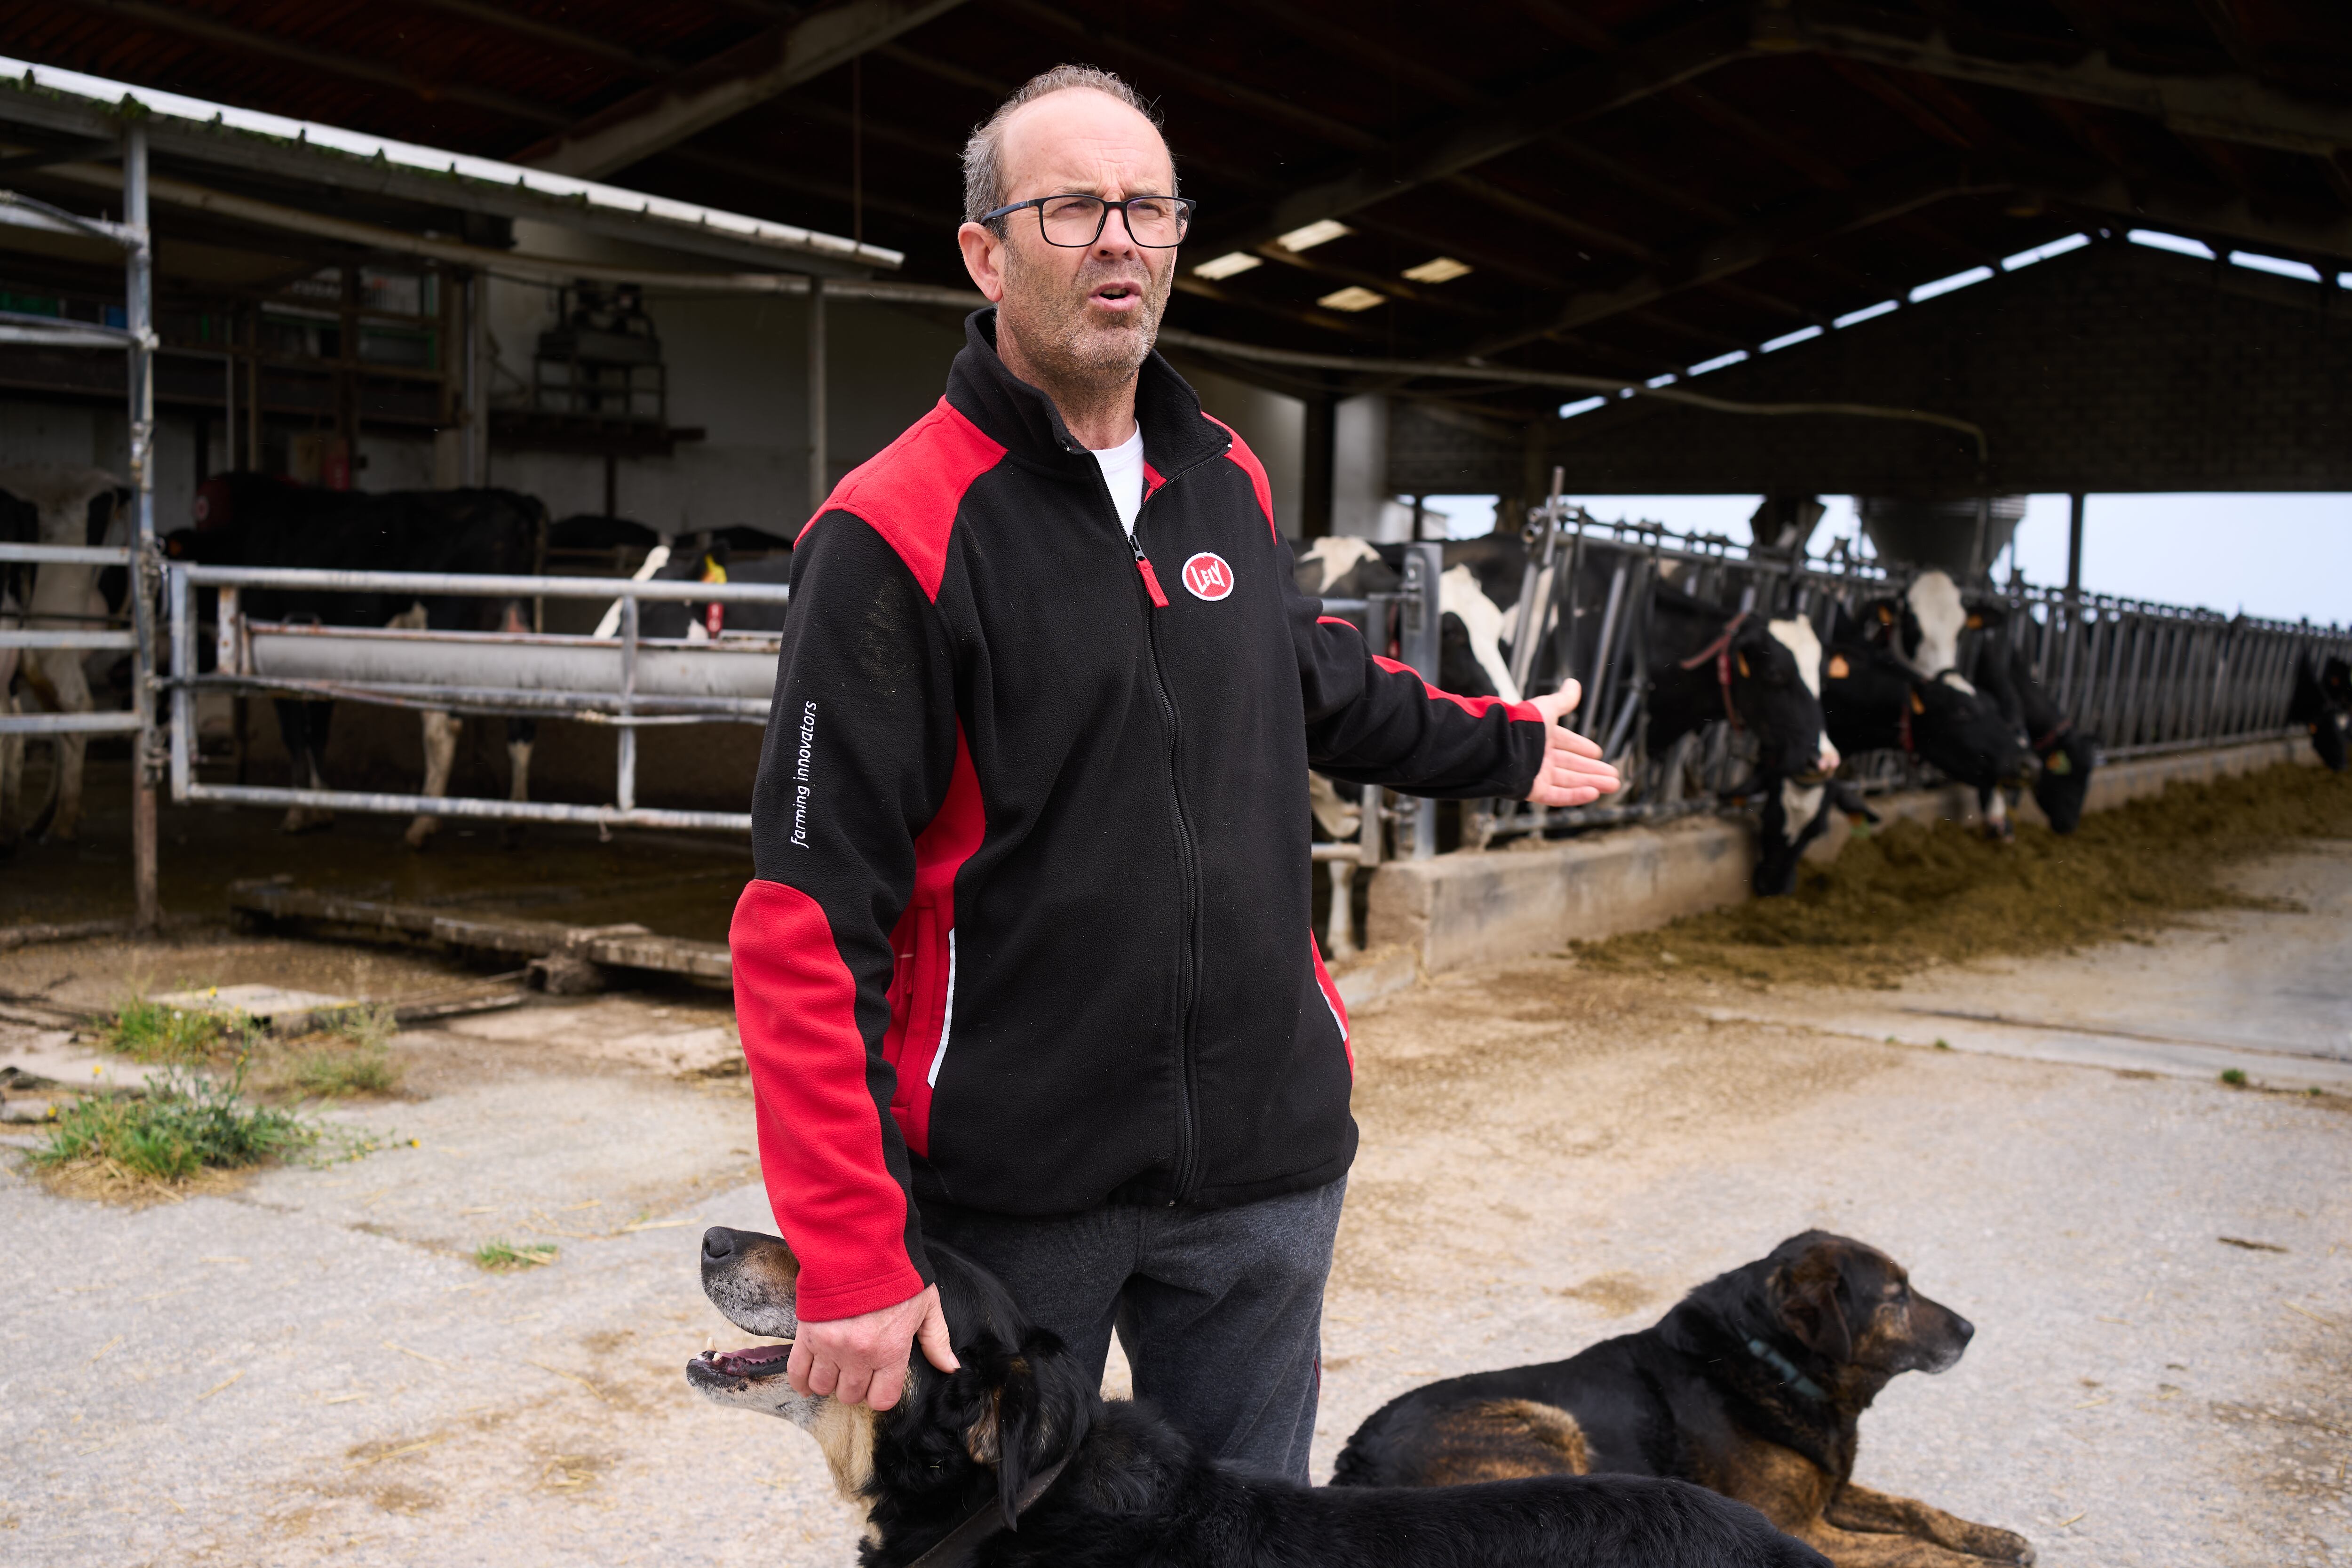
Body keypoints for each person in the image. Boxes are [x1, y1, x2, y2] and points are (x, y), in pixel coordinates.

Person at [729, 62, 1620, 1483]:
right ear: (986, 250)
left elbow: (1310, 676)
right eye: (1073, 208)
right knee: (1001, 1540)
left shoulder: (1225, 478)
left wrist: (1503, 746)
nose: (1121, 241)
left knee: (1250, 1530)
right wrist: (850, 1250)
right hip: (1021, 1192)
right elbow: (802, 919)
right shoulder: (893, 531)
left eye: (1149, 209)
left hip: (1265, 1171)